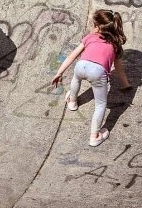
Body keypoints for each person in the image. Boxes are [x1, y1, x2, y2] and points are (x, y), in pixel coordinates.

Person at [51, 9, 130, 147]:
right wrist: (125, 84)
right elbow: (119, 69)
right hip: (98, 72)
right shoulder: (115, 45)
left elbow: (72, 56)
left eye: (93, 24)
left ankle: (72, 102)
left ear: (98, 27)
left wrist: (59, 73)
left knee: (76, 79)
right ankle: (95, 136)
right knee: (100, 104)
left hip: (81, 65)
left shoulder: (89, 37)